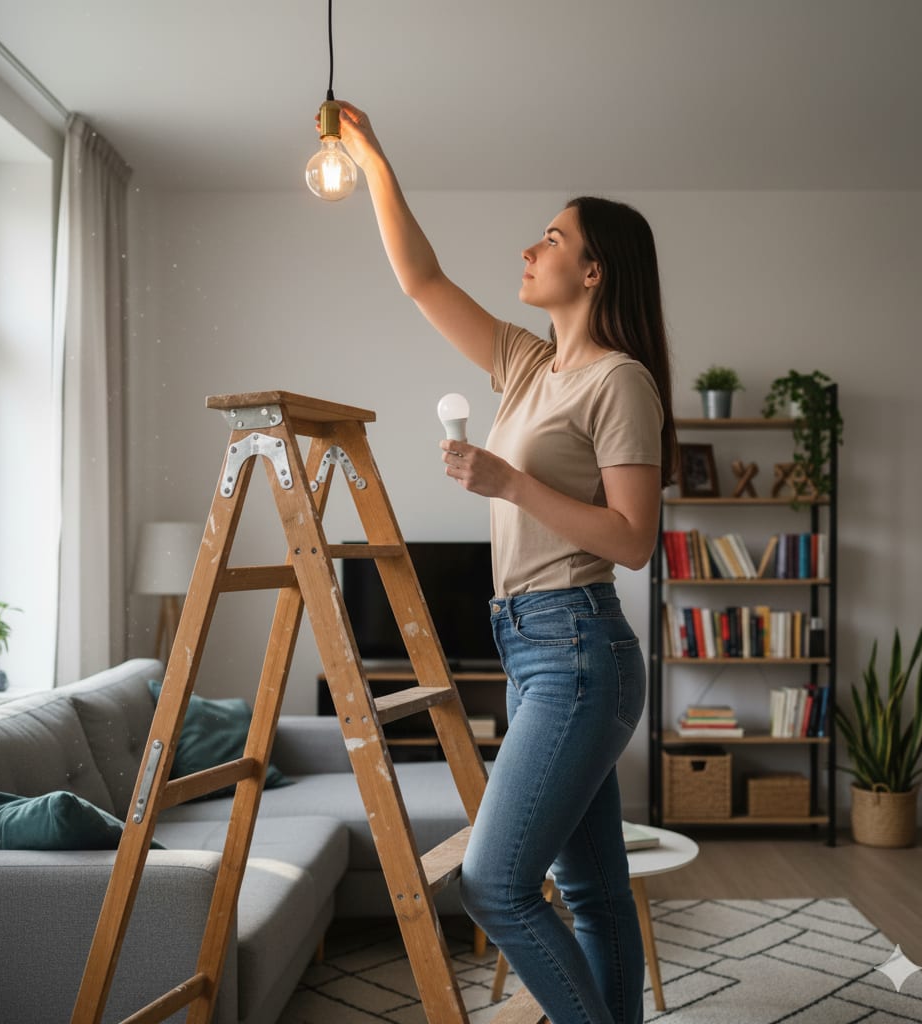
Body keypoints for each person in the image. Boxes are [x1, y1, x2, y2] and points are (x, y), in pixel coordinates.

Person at [328, 100, 678, 1024]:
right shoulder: (528, 366)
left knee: (494, 886)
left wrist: (508, 483)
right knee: (593, 893)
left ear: (593, 270)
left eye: (551, 238)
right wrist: (369, 157)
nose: (530, 249)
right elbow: (421, 277)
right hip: (530, 650)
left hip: (578, 648)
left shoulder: (620, 381)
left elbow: (633, 539)